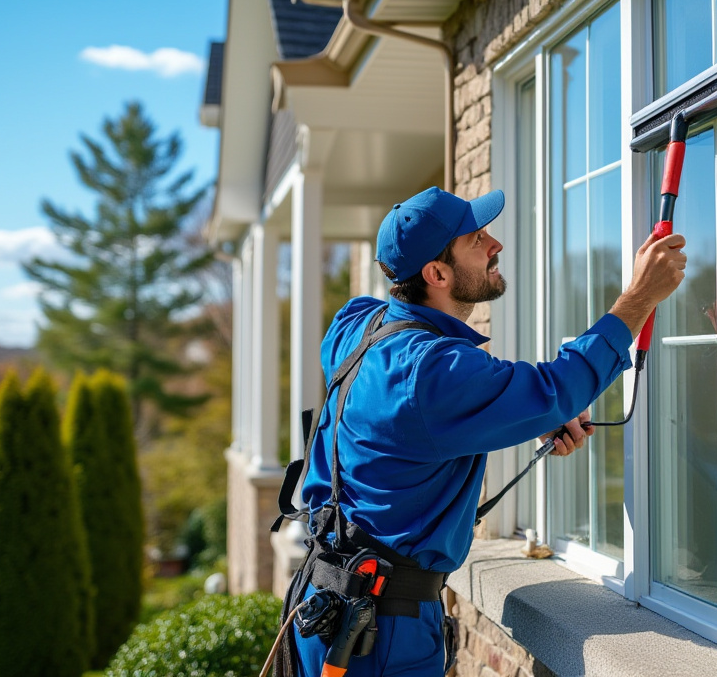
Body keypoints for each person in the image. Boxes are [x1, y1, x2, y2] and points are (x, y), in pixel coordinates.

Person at [286, 185, 686, 677]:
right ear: (437, 274)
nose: (495, 245)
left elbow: (407, 422)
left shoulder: (356, 324)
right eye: (476, 239)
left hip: (323, 601)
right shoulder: (428, 370)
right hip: (381, 634)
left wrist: (522, 414)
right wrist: (639, 297)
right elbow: (554, 388)